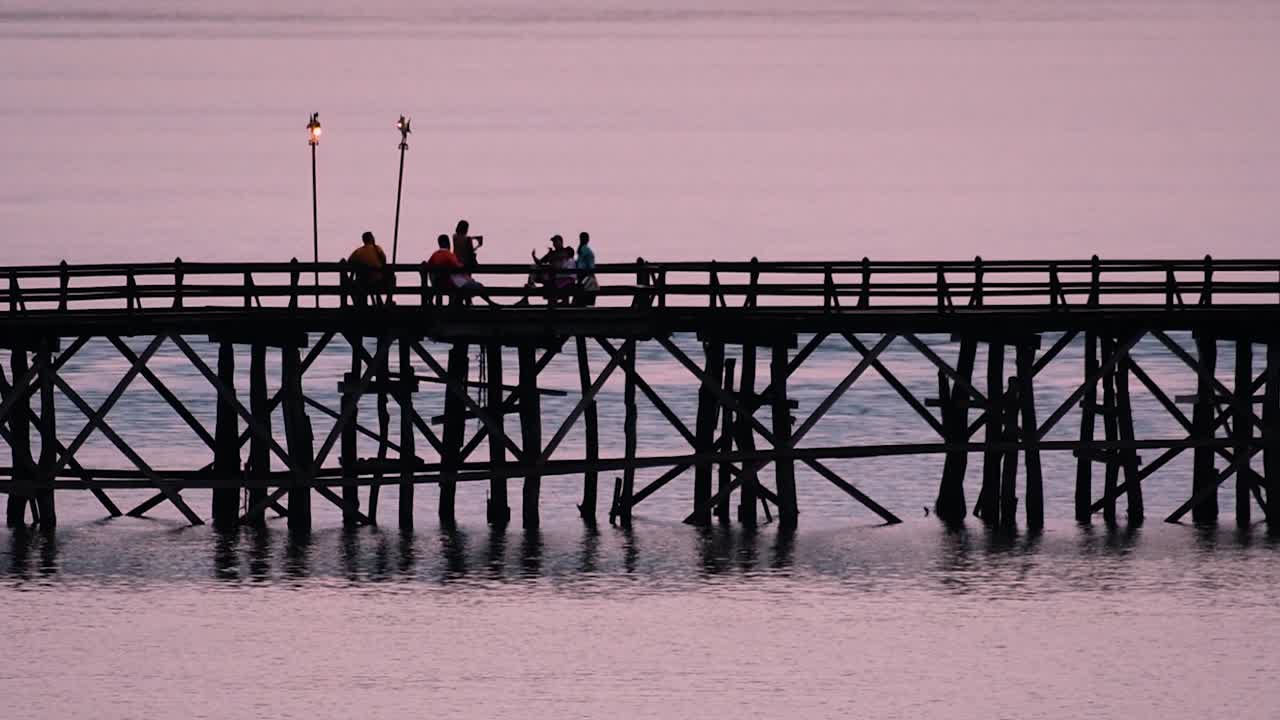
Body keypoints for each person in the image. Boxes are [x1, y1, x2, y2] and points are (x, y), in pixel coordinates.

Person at [427, 234, 493, 306]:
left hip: (438, 285)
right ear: (447, 243)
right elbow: (458, 267)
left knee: (460, 289)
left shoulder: (434, 255)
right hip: (451, 284)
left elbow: (428, 268)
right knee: (479, 286)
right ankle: (490, 303)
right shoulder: (449, 255)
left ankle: (441, 308)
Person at [348, 231, 388, 306]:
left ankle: (361, 305)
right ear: (372, 239)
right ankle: (380, 302)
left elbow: (349, 262)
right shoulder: (377, 248)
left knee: (359, 283)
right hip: (377, 280)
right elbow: (384, 260)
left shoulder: (358, 251)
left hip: (363, 282)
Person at [575, 231, 597, 306]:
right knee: (588, 296)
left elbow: (579, 264)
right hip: (586, 275)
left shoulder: (581, 249)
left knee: (580, 297)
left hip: (582, 276)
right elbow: (589, 265)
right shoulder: (586, 250)